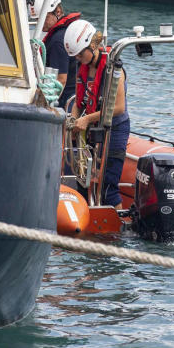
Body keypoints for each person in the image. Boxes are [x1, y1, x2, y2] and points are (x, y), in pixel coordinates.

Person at [63, 18, 129, 209]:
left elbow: (118, 108)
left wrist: (86, 119)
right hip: (93, 129)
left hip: (114, 129)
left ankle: (117, 231)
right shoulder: (83, 67)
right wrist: (75, 120)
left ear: (92, 46)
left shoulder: (114, 69)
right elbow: (79, 101)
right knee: (84, 181)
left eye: (79, 54)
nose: (77, 59)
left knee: (109, 187)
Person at [26, 0, 79, 110]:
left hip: (65, 103)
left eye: (43, 18)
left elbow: (61, 80)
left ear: (58, 11)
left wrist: (46, 107)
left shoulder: (57, 41)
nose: (39, 23)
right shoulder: (65, 33)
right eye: (37, 19)